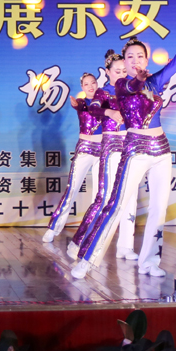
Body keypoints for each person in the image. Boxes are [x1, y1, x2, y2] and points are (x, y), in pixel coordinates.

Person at [71, 11, 176, 279]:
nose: (135, 60)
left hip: (161, 150)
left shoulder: (155, 81)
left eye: (139, 56)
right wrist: (139, 79)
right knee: (116, 203)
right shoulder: (121, 85)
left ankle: (149, 262)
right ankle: (87, 258)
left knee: (159, 208)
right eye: (129, 57)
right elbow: (131, 87)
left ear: (146, 59)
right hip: (135, 150)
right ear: (124, 61)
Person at [67, 50, 134, 259]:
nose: (121, 74)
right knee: (104, 197)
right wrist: (109, 112)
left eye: (124, 71)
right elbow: (94, 110)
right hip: (111, 145)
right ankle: (79, 242)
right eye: (117, 71)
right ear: (108, 72)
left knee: (130, 196)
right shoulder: (103, 92)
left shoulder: (132, 90)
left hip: (130, 144)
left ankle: (126, 246)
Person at [42, 72, 105, 244]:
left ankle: (91, 232)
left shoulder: (106, 103)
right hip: (85, 149)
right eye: (86, 84)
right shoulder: (83, 103)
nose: (91, 86)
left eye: (93, 82)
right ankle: (53, 228)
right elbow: (79, 106)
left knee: (99, 194)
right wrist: (76, 105)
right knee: (72, 189)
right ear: (82, 87)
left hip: (103, 150)